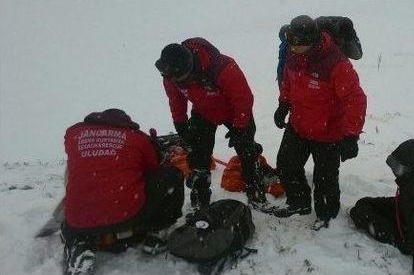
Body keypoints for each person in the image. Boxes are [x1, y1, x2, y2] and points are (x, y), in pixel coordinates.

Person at [272, 15, 367, 229]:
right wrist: (283, 104)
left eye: (298, 45)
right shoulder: (292, 53)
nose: (293, 49)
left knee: (325, 180)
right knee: (286, 166)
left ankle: (327, 216)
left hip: (328, 133)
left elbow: (356, 99)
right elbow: (288, 81)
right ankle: (298, 202)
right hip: (298, 125)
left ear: (311, 41)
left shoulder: (336, 63)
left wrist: (351, 135)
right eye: (291, 43)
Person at [62, 109, 184, 275]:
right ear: (125, 122)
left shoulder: (74, 133)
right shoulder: (137, 138)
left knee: (76, 174)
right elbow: (154, 166)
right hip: (127, 215)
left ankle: (80, 243)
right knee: (171, 175)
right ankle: (157, 232)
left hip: (79, 218)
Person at [155, 38, 266, 210]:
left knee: (247, 151)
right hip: (203, 112)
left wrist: (241, 127)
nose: (180, 82)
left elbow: (243, 98)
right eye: (177, 80)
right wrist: (181, 124)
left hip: (234, 112)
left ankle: (255, 190)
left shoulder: (223, 67)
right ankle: (200, 198)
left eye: (184, 78)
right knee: (198, 156)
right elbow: (176, 101)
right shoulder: (171, 76)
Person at [350, 139, 414, 275]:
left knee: (359, 213)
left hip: (407, 239)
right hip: (404, 215)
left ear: (413, 168)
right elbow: (404, 204)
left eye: (400, 169)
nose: (396, 173)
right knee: (365, 203)